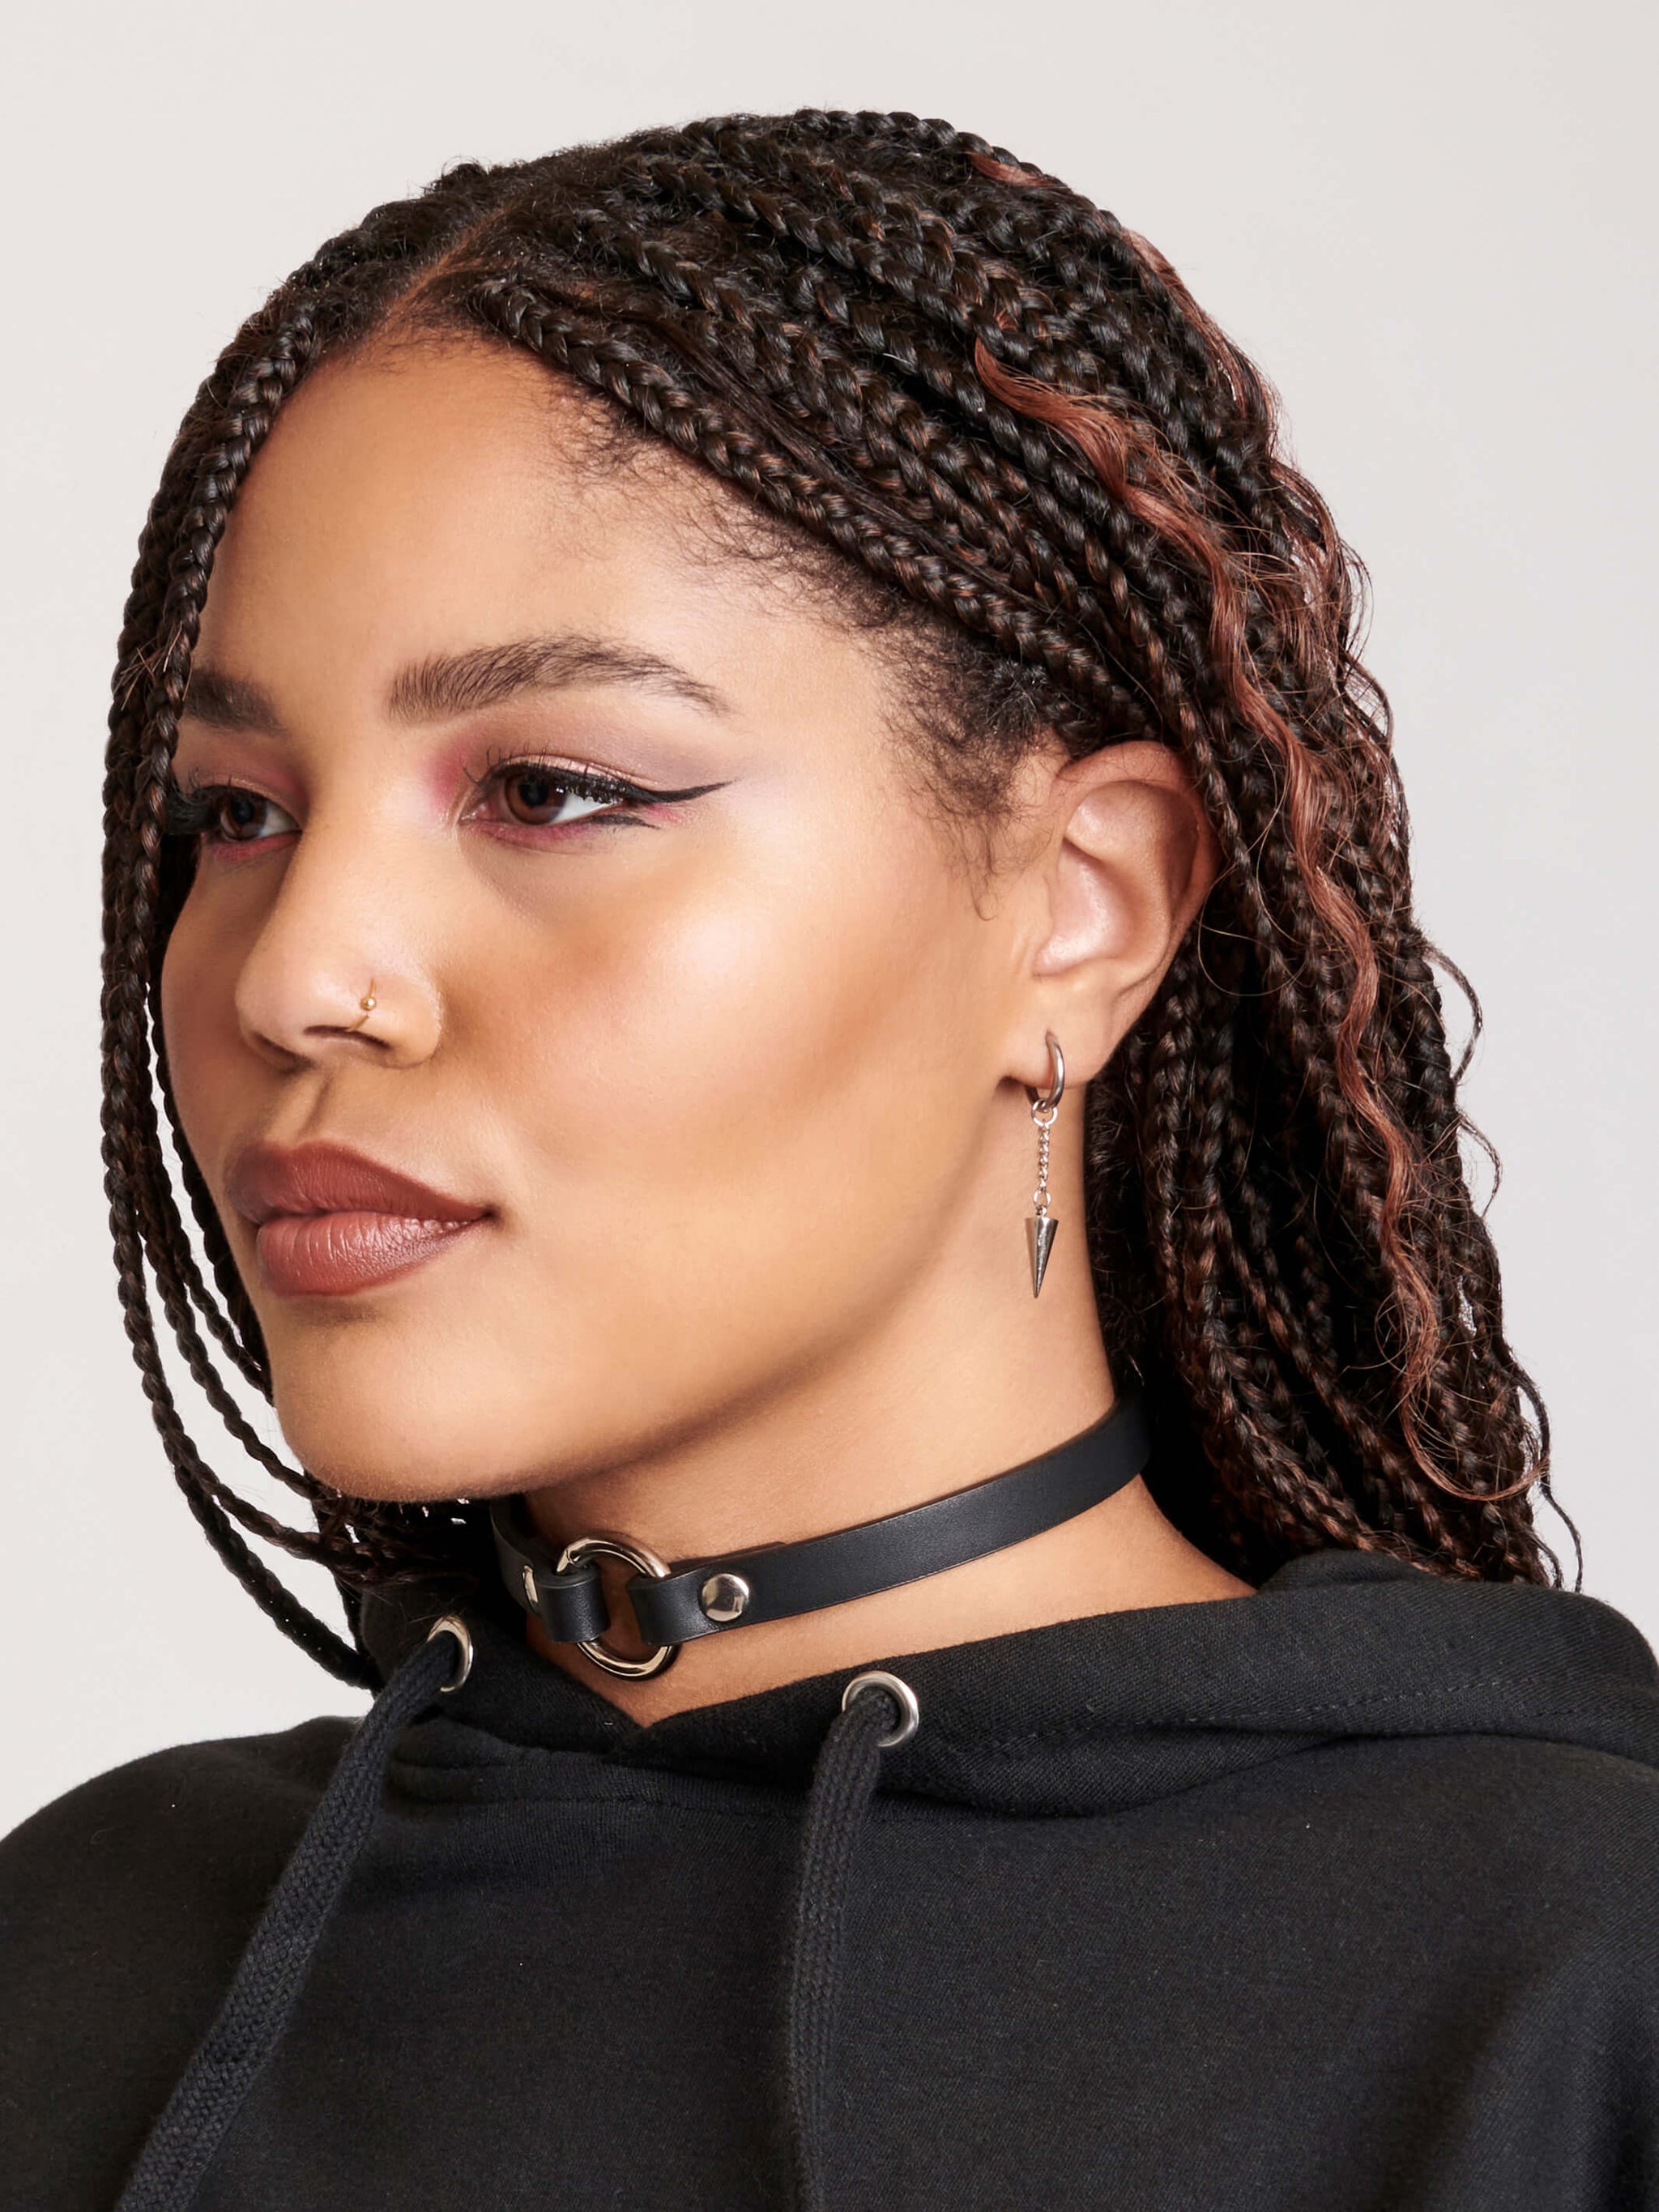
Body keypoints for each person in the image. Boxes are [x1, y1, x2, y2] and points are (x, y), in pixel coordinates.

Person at [2, 109, 1655, 2212]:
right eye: (234, 813)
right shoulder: (88, 1963)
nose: (295, 974)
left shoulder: (1568, 1983)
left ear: (1080, 908)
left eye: (552, 788)